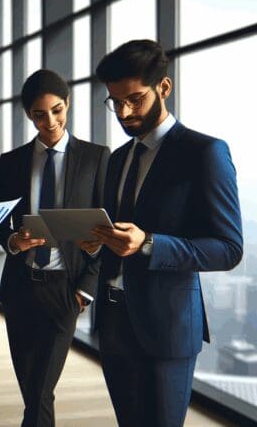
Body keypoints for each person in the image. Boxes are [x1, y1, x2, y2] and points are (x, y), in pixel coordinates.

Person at [83, 39, 242, 426]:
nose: (123, 111)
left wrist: (150, 244)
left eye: (134, 99)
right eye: (115, 101)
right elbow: (121, 233)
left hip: (167, 328)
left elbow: (228, 248)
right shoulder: (119, 157)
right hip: (114, 321)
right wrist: (96, 244)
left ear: (164, 88)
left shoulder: (203, 152)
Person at [0, 69, 110, 426]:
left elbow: (107, 229)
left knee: (42, 389)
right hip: (20, 287)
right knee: (32, 387)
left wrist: (85, 290)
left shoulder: (95, 157)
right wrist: (12, 241)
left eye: (57, 110)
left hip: (66, 289)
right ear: (28, 114)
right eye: (39, 114)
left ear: (68, 104)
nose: (50, 121)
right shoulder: (12, 161)